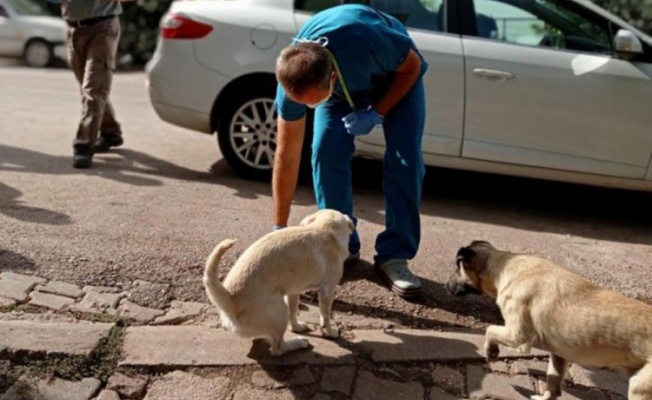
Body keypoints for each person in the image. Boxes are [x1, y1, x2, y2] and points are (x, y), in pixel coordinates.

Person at [273, 4, 428, 298]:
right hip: (338, 85)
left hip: (396, 74)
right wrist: (278, 227)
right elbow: (287, 154)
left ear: (331, 79)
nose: (308, 110)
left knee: (405, 159)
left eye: (313, 103)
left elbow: (411, 67)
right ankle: (341, 245)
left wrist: (376, 112)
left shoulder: (366, 38)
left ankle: (394, 255)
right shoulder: (294, 79)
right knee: (324, 150)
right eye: (306, 104)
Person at [49, 0, 132, 168]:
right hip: (73, 29)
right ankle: (110, 132)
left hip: (102, 26)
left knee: (93, 88)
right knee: (90, 87)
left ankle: (83, 145)